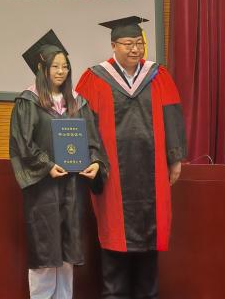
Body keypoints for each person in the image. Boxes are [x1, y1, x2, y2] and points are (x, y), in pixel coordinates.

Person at [74, 16, 187, 299]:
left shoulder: (158, 76)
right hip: (111, 173)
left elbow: (172, 117)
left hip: (153, 173)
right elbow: (82, 124)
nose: (135, 49)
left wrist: (175, 158)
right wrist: (89, 160)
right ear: (114, 45)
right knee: (115, 245)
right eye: (128, 43)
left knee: (149, 248)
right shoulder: (95, 78)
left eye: (139, 43)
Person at [10, 30, 106, 299]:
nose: (61, 71)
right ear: (43, 69)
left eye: (65, 66)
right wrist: (47, 165)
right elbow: (22, 143)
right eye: (55, 67)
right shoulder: (28, 102)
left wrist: (95, 162)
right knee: (45, 252)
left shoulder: (78, 103)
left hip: (72, 188)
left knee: (66, 254)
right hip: (43, 189)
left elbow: (94, 142)